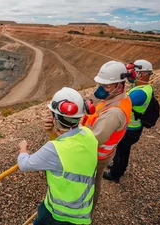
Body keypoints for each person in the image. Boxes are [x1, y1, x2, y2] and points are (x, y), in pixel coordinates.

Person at [44, 60, 132, 209]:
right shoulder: (115, 99)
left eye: (106, 86)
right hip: (102, 153)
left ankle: (85, 211)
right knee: (93, 181)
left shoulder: (114, 113)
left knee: (90, 183)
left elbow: (91, 140)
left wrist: (61, 133)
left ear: (120, 85)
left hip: (96, 156)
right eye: (100, 84)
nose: (101, 89)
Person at [18, 87, 98, 225]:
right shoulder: (88, 134)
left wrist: (22, 149)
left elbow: (24, 165)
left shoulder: (54, 149)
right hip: (82, 213)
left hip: (58, 215)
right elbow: (68, 148)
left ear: (55, 117)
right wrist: (52, 132)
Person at [103, 59, 154, 183]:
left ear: (143, 74)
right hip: (134, 128)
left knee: (121, 151)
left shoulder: (139, 93)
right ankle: (119, 167)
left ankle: (115, 174)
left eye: (134, 72)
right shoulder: (145, 87)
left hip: (129, 129)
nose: (131, 75)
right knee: (124, 151)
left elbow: (120, 104)